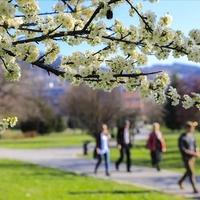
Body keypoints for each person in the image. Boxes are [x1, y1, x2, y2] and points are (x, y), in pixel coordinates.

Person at [178, 121, 200, 193]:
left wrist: (197, 151)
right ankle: (195, 188)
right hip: (186, 158)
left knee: (188, 171)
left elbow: (195, 145)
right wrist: (194, 153)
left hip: (193, 158)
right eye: (189, 128)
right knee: (191, 172)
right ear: (186, 128)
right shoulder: (182, 137)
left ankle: (180, 181)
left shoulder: (192, 135)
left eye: (192, 128)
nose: (191, 129)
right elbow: (183, 149)